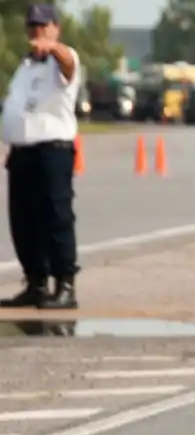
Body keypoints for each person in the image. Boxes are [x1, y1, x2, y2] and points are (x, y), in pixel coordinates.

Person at [0, 3, 81, 310]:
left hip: (52, 151)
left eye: (44, 26)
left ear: (56, 28)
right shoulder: (26, 66)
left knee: (55, 218)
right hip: (22, 153)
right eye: (33, 27)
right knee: (23, 221)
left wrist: (54, 48)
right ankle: (35, 283)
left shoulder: (63, 60)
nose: (38, 32)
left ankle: (65, 284)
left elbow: (69, 66)